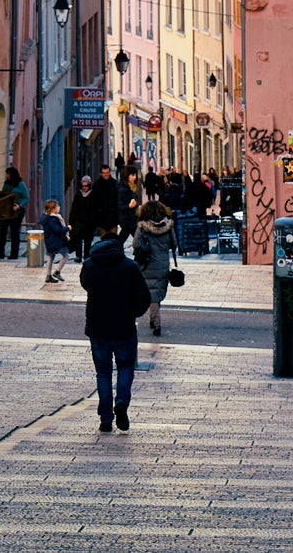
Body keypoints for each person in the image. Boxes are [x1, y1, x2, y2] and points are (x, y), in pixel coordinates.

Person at [79, 226, 152, 433]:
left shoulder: (89, 265)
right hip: (123, 326)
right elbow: (144, 298)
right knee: (125, 367)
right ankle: (121, 402)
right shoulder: (129, 267)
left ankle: (105, 418)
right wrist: (133, 312)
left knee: (102, 372)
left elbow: (85, 284)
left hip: (97, 326)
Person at [132, 200, 176, 335]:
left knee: (151, 293)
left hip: (146, 263)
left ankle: (156, 322)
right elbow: (173, 244)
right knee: (157, 292)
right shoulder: (168, 226)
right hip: (162, 263)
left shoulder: (142, 226)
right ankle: (154, 320)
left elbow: (135, 244)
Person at [0, 166, 29, 260]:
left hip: (16, 212)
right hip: (6, 211)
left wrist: (19, 205)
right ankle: (0, 252)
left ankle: (14, 254)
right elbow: (3, 194)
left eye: (8, 174)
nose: (6, 176)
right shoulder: (6, 184)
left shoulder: (21, 184)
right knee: (1, 230)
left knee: (14, 232)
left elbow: (26, 198)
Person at [88, 166, 121, 251]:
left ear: (110, 172)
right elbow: (94, 201)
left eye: (107, 172)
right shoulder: (97, 185)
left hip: (113, 216)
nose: (106, 174)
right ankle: (105, 253)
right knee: (103, 239)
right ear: (101, 174)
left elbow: (118, 199)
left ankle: (113, 252)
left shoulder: (115, 184)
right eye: (104, 173)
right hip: (101, 216)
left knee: (113, 239)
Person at [68, 175, 97, 262]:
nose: (84, 188)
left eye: (86, 186)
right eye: (83, 186)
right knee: (78, 240)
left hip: (89, 222)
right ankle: (78, 256)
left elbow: (95, 209)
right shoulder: (78, 195)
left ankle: (87, 256)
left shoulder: (93, 195)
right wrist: (71, 221)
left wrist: (94, 222)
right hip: (78, 222)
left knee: (88, 240)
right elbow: (74, 209)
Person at [41, 199, 71, 283]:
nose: (59, 207)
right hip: (57, 241)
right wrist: (67, 228)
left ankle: (48, 275)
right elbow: (58, 230)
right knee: (66, 256)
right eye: (57, 206)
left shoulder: (46, 218)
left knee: (51, 257)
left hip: (50, 241)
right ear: (52, 209)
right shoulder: (53, 219)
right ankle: (57, 272)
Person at [116, 169, 142, 242]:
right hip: (127, 220)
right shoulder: (123, 189)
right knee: (139, 241)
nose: (135, 177)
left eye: (135, 175)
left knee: (122, 239)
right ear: (127, 176)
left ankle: (115, 250)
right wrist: (129, 206)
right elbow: (120, 206)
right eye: (132, 175)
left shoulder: (131, 187)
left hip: (131, 219)